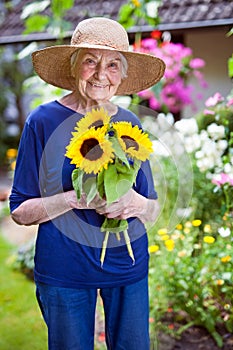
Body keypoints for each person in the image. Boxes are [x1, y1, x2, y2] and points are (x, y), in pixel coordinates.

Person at [9, 17, 165, 350]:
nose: (100, 74)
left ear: (122, 75)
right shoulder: (42, 122)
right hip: (65, 269)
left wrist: (135, 203)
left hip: (127, 264)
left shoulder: (129, 122)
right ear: (74, 66)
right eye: (90, 61)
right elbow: (20, 211)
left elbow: (152, 209)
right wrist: (75, 198)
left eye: (112, 65)